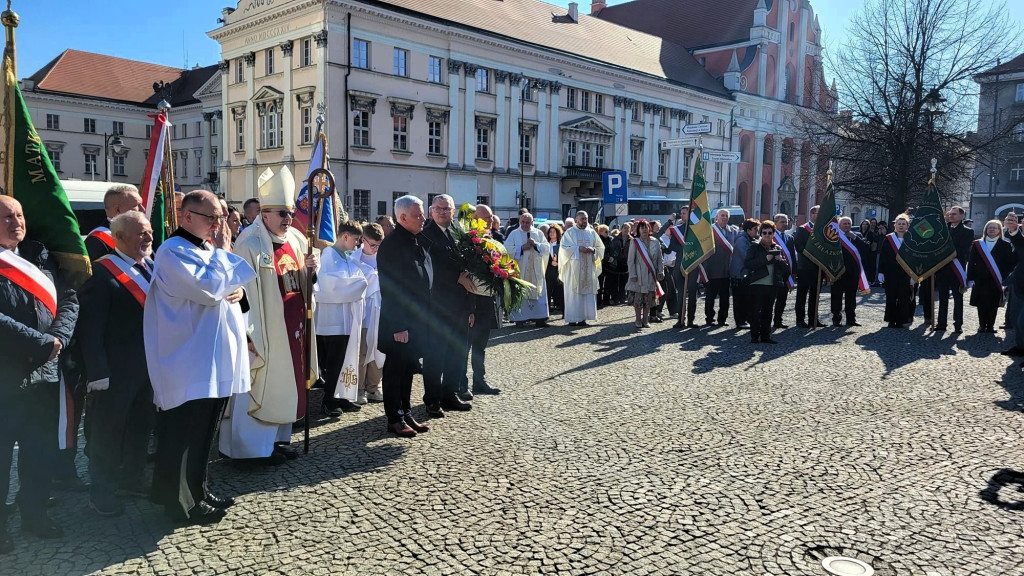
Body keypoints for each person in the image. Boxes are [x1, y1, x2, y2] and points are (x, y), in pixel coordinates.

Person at [145, 190, 255, 524]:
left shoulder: (206, 248)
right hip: (188, 359)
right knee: (183, 433)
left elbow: (234, 286)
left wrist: (238, 291)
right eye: (212, 218)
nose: (219, 225)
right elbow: (208, 291)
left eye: (221, 217)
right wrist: (224, 254)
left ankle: (199, 490)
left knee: (204, 431)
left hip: (213, 357)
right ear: (186, 216)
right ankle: (179, 505)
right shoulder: (172, 252)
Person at [0, 196, 79, 551]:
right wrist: (39, 342)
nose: (15, 221)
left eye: (19, 214)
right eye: (5, 216)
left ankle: (34, 514)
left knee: (39, 449)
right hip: (6, 374)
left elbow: (69, 299)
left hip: (45, 372)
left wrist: (58, 338)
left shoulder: (38, 254)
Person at [224, 168, 318, 464]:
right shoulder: (249, 243)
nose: (287, 218)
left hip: (293, 326)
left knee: (286, 383)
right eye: (281, 213)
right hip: (264, 330)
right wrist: (249, 334)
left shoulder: (297, 240)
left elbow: (300, 282)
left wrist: (310, 272)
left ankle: (276, 441)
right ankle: (250, 449)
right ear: (264, 213)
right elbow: (241, 291)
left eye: (289, 212)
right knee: (262, 382)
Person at [76, 212, 156, 517]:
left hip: (148, 367)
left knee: (140, 426)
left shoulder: (150, 266)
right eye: (140, 233)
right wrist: (97, 373)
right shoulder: (101, 274)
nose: (148, 238)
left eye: (149, 232)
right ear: (118, 238)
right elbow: (89, 330)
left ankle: (132, 478)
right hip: (115, 372)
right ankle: (102, 492)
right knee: (108, 433)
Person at [377, 196, 433, 437]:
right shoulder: (392, 245)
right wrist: (399, 325)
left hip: (415, 320)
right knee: (394, 371)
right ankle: (394, 418)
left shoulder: (414, 239)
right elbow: (392, 289)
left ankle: (406, 412)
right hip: (398, 322)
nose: (423, 219)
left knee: (408, 369)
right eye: (418, 215)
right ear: (402, 218)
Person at [420, 194, 474, 418]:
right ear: (432, 211)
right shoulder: (425, 235)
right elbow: (427, 270)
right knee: (435, 355)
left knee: (457, 353)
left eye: (447, 209)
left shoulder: (458, 233)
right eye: (438, 208)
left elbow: (468, 269)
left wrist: (471, 308)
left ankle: (449, 393)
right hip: (437, 305)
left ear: (453, 211)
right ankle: (432, 399)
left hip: (460, 305)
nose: (442, 212)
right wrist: (456, 278)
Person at [314, 220, 367, 416]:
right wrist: (360, 283)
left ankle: (343, 396)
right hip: (333, 320)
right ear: (345, 236)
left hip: (346, 318)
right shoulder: (329, 255)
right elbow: (331, 285)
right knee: (334, 362)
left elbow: (356, 276)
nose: (357, 243)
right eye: (355, 239)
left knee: (345, 359)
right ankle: (329, 400)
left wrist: (359, 281)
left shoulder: (346, 256)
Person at [464, 204, 503, 397]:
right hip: (472, 298)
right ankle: (461, 384)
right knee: (465, 344)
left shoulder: (491, 239)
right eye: (485, 218)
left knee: (480, 344)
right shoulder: (467, 241)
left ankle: (479, 381)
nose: (489, 222)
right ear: (474, 219)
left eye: (490, 218)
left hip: (487, 298)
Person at [356, 223, 386, 404]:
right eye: (372, 245)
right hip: (363, 311)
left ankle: (374, 387)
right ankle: (359, 389)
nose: (375, 249)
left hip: (380, 309)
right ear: (363, 240)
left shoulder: (384, 258)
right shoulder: (354, 258)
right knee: (361, 351)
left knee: (379, 350)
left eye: (379, 245)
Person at [967, 219, 1013, 334]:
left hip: (996, 279)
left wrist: (1005, 279)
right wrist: (970, 278)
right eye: (989, 227)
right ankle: (982, 325)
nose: (992, 229)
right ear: (986, 230)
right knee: (981, 303)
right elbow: (971, 262)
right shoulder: (977, 244)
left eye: (995, 227)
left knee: (993, 304)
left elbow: (1009, 264)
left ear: (999, 230)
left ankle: (991, 326)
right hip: (980, 279)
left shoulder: (1006, 245)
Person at [559, 210, 604, 326]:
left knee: (586, 294)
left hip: (588, 268)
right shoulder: (570, 232)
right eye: (582, 219)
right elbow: (563, 249)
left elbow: (600, 247)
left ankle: (584, 317)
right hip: (574, 269)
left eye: (586, 218)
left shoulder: (591, 232)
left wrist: (593, 250)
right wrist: (578, 249)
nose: (584, 221)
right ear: (576, 220)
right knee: (574, 294)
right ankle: (573, 318)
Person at [505, 212, 550, 327]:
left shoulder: (538, 233)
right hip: (521, 269)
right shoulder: (514, 234)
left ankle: (539, 318)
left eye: (527, 222)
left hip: (536, 270)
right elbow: (506, 249)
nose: (525, 224)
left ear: (531, 222)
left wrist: (536, 245)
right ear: (520, 221)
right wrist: (521, 248)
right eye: (523, 222)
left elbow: (546, 248)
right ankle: (520, 319)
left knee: (538, 292)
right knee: (521, 292)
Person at [744, 220, 785, 344]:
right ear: (761, 234)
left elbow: (784, 269)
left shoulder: (777, 247)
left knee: (768, 311)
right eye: (764, 233)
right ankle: (754, 336)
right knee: (756, 311)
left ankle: (766, 336)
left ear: (774, 234)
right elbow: (748, 264)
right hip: (757, 283)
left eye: (770, 233)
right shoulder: (755, 246)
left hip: (772, 284)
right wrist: (764, 259)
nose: (767, 235)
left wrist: (780, 260)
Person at [933, 206, 973, 333]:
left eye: (954, 214)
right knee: (943, 297)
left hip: (957, 269)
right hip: (942, 270)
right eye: (950, 214)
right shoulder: (942, 230)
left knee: (958, 298)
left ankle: (958, 324)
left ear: (962, 216)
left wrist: (947, 253)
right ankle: (941, 323)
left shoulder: (968, 231)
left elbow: (964, 250)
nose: (951, 216)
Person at [85, 184, 144, 263]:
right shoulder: (97, 241)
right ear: (117, 210)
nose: (143, 209)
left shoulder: (142, 234)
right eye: (136, 205)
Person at [831, 217, 870, 327]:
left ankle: (851, 319)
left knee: (851, 297)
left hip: (852, 271)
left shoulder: (857, 235)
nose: (847, 225)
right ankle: (836, 319)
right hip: (838, 270)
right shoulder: (834, 236)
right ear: (839, 225)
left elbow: (866, 249)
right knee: (836, 296)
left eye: (849, 223)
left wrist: (855, 238)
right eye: (844, 223)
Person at [625, 219, 664, 328]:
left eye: (646, 227)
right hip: (638, 275)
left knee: (648, 299)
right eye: (642, 228)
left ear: (649, 229)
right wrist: (632, 274)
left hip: (651, 275)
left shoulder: (655, 242)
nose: (644, 230)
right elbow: (630, 260)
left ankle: (645, 320)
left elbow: (660, 259)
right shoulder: (635, 242)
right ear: (638, 230)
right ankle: (638, 320)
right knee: (638, 299)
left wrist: (660, 271)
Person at [878, 214, 914, 328]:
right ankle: (890, 319)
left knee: (904, 297)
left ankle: (901, 320)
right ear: (895, 225)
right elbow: (883, 256)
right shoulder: (889, 238)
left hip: (906, 273)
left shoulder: (911, 239)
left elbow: (916, 257)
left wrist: (915, 273)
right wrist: (881, 272)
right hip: (890, 273)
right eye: (899, 224)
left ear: (907, 225)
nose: (901, 226)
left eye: (904, 224)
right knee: (891, 297)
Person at [702, 209, 737, 326]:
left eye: (726, 216)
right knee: (710, 297)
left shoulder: (733, 231)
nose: (724, 218)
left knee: (725, 298)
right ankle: (709, 319)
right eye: (722, 215)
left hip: (726, 270)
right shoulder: (709, 231)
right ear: (716, 217)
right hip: (712, 270)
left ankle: (722, 319)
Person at [794, 205, 824, 327]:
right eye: (819, 213)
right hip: (805, 267)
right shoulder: (802, 229)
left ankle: (814, 319)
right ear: (812, 214)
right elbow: (798, 246)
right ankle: (800, 319)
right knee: (802, 294)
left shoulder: (823, 230)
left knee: (815, 295)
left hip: (818, 268)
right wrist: (812, 255)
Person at [730, 219, 760, 330]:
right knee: (739, 299)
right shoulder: (742, 240)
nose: (757, 231)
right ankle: (740, 321)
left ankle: (745, 319)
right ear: (748, 230)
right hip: (739, 274)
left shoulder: (749, 239)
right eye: (755, 229)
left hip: (744, 274)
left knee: (746, 298)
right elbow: (746, 256)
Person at [771, 213, 797, 329]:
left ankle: (778, 320)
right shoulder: (769, 236)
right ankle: (765, 321)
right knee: (770, 299)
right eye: (782, 222)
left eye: (786, 222)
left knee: (782, 299)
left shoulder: (789, 238)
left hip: (785, 274)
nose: (785, 224)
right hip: (773, 273)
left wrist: (794, 272)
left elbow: (792, 256)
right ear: (775, 223)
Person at [545, 224, 564, 313]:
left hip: (559, 271)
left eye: (554, 232)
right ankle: (547, 312)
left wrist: (558, 262)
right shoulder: (545, 244)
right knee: (547, 292)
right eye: (550, 232)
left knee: (561, 293)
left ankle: (564, 312)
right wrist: (550, 263)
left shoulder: (561, 244)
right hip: (548, 272)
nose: (552, 234)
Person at [596, 224, 613, 308]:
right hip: (600, 264)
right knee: (599, 283)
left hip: (609, 265)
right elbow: (599, 251)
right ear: (601, 232)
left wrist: (612, 257)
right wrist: (607, 257)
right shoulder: (597, 240)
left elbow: (612, 249)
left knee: (608, 283)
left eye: (608, 231)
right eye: (606, 231)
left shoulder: (610, 240)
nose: (608, 233)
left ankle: (606, 299)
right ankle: (598, 300)